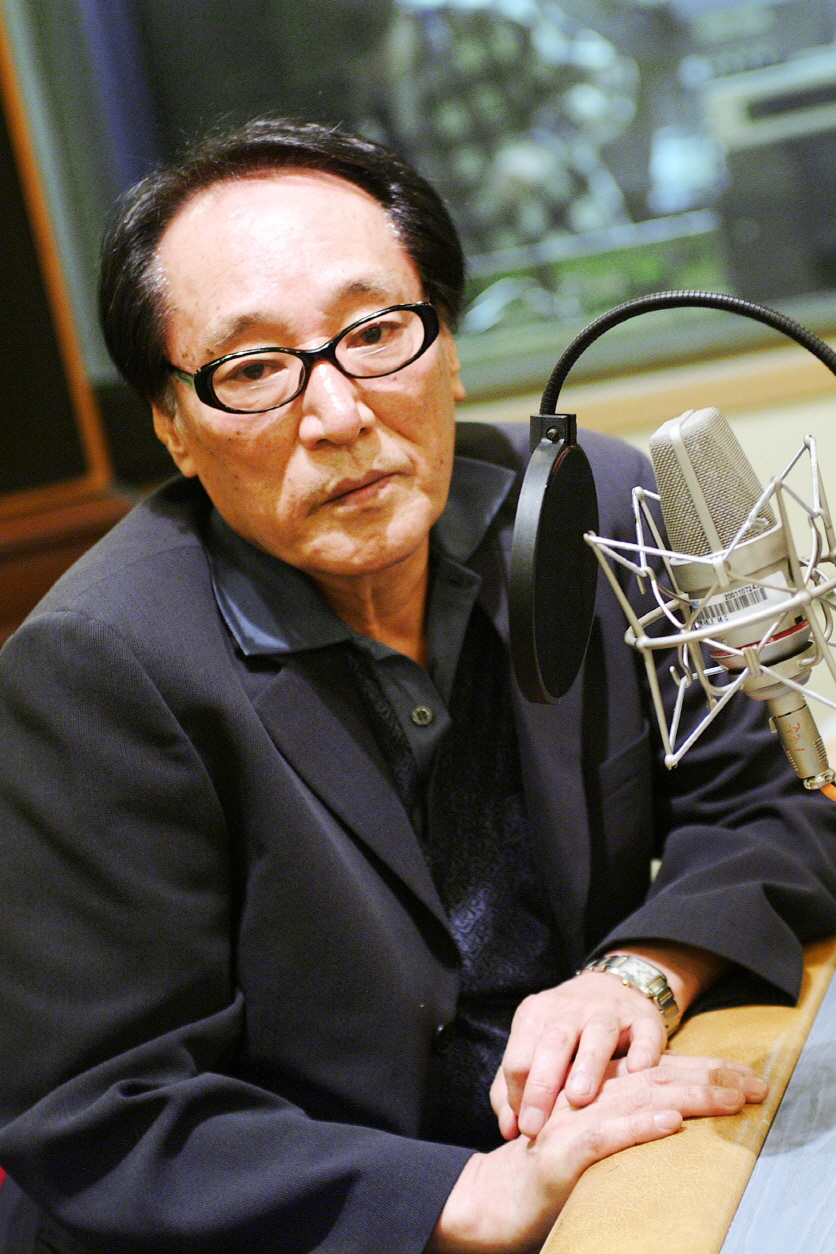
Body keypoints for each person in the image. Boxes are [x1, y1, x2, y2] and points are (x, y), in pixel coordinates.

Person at [0, 117, 833, 1254]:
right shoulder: (94, 669)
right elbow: (103, 1113)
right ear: (173, 428)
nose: (340, 415)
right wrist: (470, 1197)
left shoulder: (596, 513)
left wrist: (635, 973)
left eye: (376, 332)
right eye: (253, 370)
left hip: (589, 1173)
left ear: (446, 346)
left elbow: (772, 804)